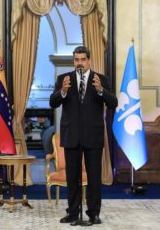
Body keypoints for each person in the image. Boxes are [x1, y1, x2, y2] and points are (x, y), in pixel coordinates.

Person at [50, 46, 117, 225]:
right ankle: (73, 212)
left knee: (94, 177)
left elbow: (113, 103)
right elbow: (53, 103)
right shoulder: (63, 79)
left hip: (93, 136)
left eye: (82, 59)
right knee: (72, 177)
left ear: (89, 60)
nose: (79, 63)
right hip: (71, 134)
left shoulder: (100, 79)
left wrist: (101, 90)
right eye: (76, 60)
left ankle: (94, 213)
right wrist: (62, 91)